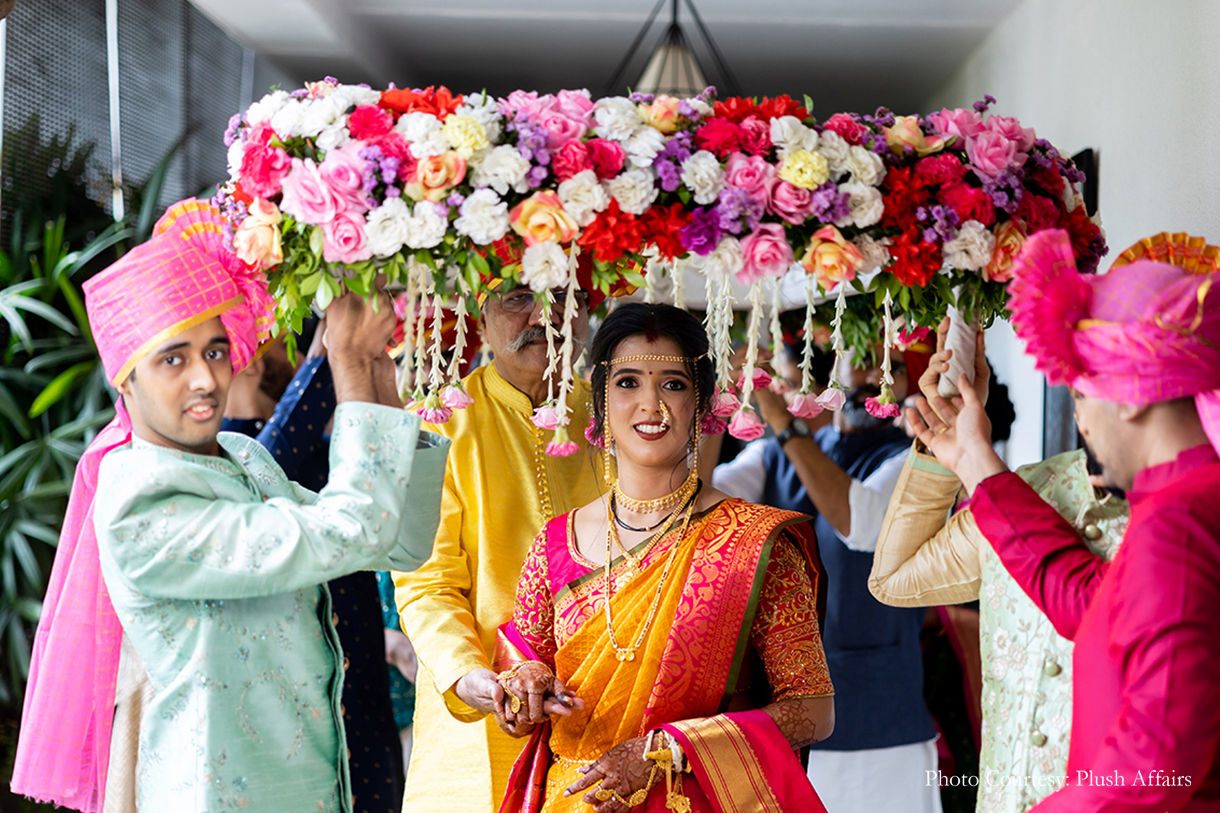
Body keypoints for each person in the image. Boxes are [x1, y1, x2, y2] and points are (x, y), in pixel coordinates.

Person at [10, 199, 449, 813]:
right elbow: (355, 529)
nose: (204, 379)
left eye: (215, 352)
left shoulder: (244, 456)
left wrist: (375, 366)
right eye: (173, 358)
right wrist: (345, 359)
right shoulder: (138, 501)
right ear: (125, 379)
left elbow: (398, 542)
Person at [907, 228, 1220, 811]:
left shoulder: (1179, 521)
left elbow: (1152, 770)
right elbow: (1087, 602)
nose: (1083, 424)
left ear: (1131, 396)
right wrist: (973, 460)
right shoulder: (1184, 504)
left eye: (1081, 395)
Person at [494, 302, 834, 812]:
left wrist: (671, 749)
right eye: (628, 382)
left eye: (672, 384)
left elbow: (813, 710)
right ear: (601, 401)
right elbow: (521, 664)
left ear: (701, 403)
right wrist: (523, 689)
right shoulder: (555, 542)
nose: (650, 404)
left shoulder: (754, 544)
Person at [870, 317, 1128, 813]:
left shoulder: (1188, 515)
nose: (1090, 415)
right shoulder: (1034, 488)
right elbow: (896, 579)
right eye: (1081, 391)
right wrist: (943, 443)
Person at [393, 279, 605, 812]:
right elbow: (426, 583)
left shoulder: (617, 416)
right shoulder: (436, 424)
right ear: (478, 315)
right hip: (483, 716)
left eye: (565, 295)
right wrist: (466, 675)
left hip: (607, 709)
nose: (544, 315)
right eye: (517, 297)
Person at [713, 341, 940, 813]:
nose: (873, 380)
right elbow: (699, 499)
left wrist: (783, 422)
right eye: (861, 364)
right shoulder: (775, 455)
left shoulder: (917, 459)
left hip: (878, 730)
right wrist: (709, 398)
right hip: (777, 721)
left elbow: (861, 521)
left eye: (894, 369)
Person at [221, 322, 409, 813]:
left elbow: (399, 529)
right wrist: (339, 338)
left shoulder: (308, 445)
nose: (292, 349)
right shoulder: (231, 464)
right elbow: (267, 460)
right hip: (295, 731)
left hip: (365, 703)